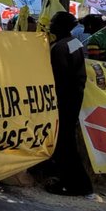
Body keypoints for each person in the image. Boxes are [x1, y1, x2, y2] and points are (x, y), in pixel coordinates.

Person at [45, 11, 93, 197]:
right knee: (67, 140)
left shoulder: (59, 48)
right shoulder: (74, 42)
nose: (50, 25)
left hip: (64, 99)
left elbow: (60, 77)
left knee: (65, 143)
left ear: (61, 26)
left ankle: (76, 184)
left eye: (53, 22)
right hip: (75, 96)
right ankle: (71, 180)